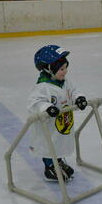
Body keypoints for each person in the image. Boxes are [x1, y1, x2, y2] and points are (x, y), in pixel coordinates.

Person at [28, 45, 88, 182]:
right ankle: (50, 167)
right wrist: (47, 107)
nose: (65, 71)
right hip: (48, 127)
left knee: (59, 144)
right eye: (61, 69)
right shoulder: (42, 87)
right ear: (48, 68)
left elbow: (73, 91)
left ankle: (59, 162)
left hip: (62, 124)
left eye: (66, 67)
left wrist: (79, 98)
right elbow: (35, 102)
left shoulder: (64, 82)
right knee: (50, 146)